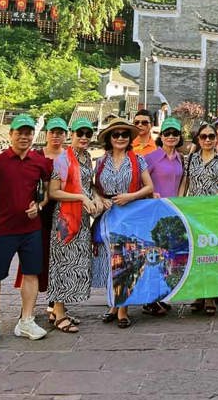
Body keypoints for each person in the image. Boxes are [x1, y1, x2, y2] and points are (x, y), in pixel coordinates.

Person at [0, 114, 53, 344]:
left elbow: (44, 192)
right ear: (10, 134)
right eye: (19, 133)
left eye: (28, 133)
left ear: (34, 135)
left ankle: (26, 319)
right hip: (2, 228)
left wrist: (39, 205)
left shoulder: (40, 162)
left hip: (31, 228)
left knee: (31, 274)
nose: (24, 137)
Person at [92, 118, 155, 328]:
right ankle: (113, 303)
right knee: (111, 260)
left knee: (127, 259)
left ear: (130, 138)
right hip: (109, 214)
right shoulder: (101, 162)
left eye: (124, 135)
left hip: (131, 213)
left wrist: (131, 196)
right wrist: (99, 199)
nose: (120, 138)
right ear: (109, 139)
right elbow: (93, 186)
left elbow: (149, 187)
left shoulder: (137, 160)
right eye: (116, 135)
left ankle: (123, 308)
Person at [46, 118, 100, 334]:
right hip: (66, 218)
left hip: (82, 216)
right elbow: (54, 192)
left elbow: (90, 185)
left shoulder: (86, 158)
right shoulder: (62, 158)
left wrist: (96, 197)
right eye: (80, 133)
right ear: (72, 135)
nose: (84, 137)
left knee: (76, 263)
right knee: (63, 264)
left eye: (88, 133)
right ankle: (58, 312)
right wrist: (80, 197)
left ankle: (59, 310)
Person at [180, 122, 218, 315]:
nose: (208, 140)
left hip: (214, 211)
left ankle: (210, 296)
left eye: (212, 136)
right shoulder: (191, 158)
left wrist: (213, 200)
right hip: (193, 212)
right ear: (198, 139)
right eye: (204, 137)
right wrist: (179, 202)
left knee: (212, 253)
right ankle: (198, 294)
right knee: (196, 253)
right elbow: (185, 182)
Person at [141, 118, 185, 317]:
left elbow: (183, 181)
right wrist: (150, 194)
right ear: (161, 136)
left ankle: (161, 295)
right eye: (167, 133)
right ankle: (149, 299)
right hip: (154, 211)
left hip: (173, 211)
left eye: (174, 134)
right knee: (153, 254)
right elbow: (141, 183)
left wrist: (182, 201)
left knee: (168, 255)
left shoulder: (180, 158)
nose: (171, 137)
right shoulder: (151, 157)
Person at [34, 117, 67, 324]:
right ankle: (28, 305)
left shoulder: (69, 157)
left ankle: (57, 304)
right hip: (39, 213)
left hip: (64, 211)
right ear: (47, 133)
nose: (56, 136)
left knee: (60, 258)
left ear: (65, 135)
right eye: (52, 132)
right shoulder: (36, 156)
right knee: (37, 258)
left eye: (60, 132)